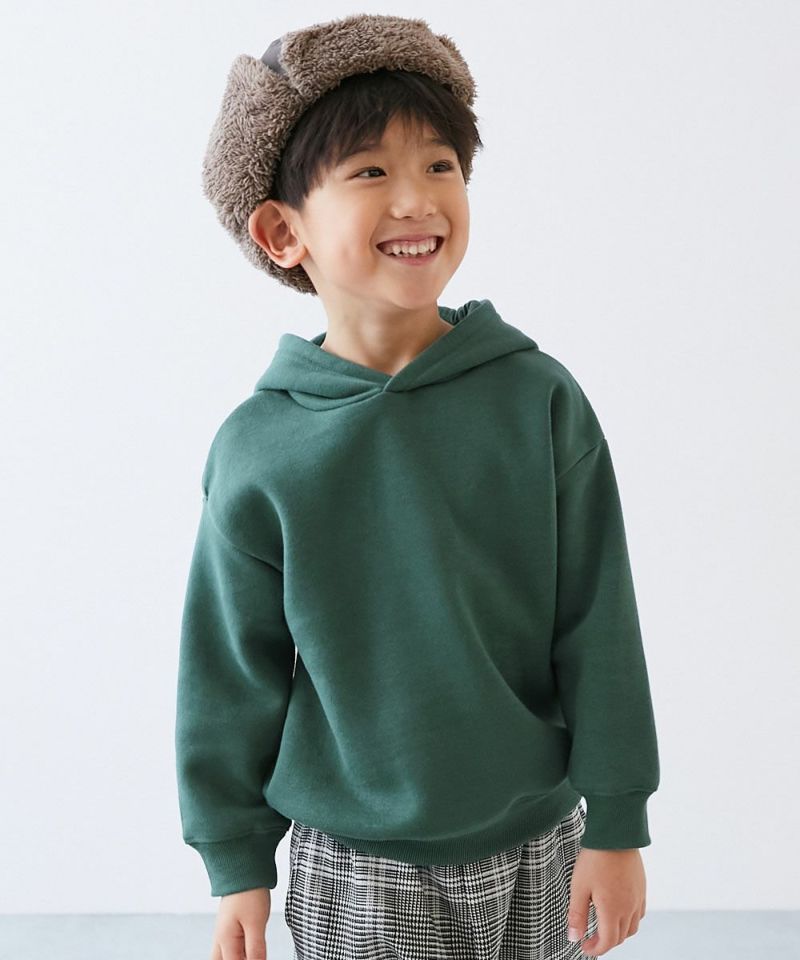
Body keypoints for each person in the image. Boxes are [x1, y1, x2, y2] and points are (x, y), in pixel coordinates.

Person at [174, 13, 660, 960]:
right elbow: (230, 670)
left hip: (541, 838)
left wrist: (618, 820)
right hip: (357, 861)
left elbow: (599, 621)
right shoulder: (261, 447)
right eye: (369, 172)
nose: (418, 199)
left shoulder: (537, 398)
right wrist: (235, 861)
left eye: (440, 165)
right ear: (281, 231)